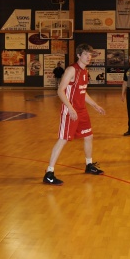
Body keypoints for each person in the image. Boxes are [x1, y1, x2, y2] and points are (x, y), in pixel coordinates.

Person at [43, 44, 106, 185]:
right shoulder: (72, 70)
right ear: (79, 55)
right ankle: (49, 172)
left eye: (90, 55)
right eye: (85, 54)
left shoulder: (85, 71)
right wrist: (70, 108)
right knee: (63, 139)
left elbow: (83, 93)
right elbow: (60, 91)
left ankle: (89, 165)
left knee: (88, 136)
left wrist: (95, 105)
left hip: (82, 110)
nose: (88, 57)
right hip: (69, 110)